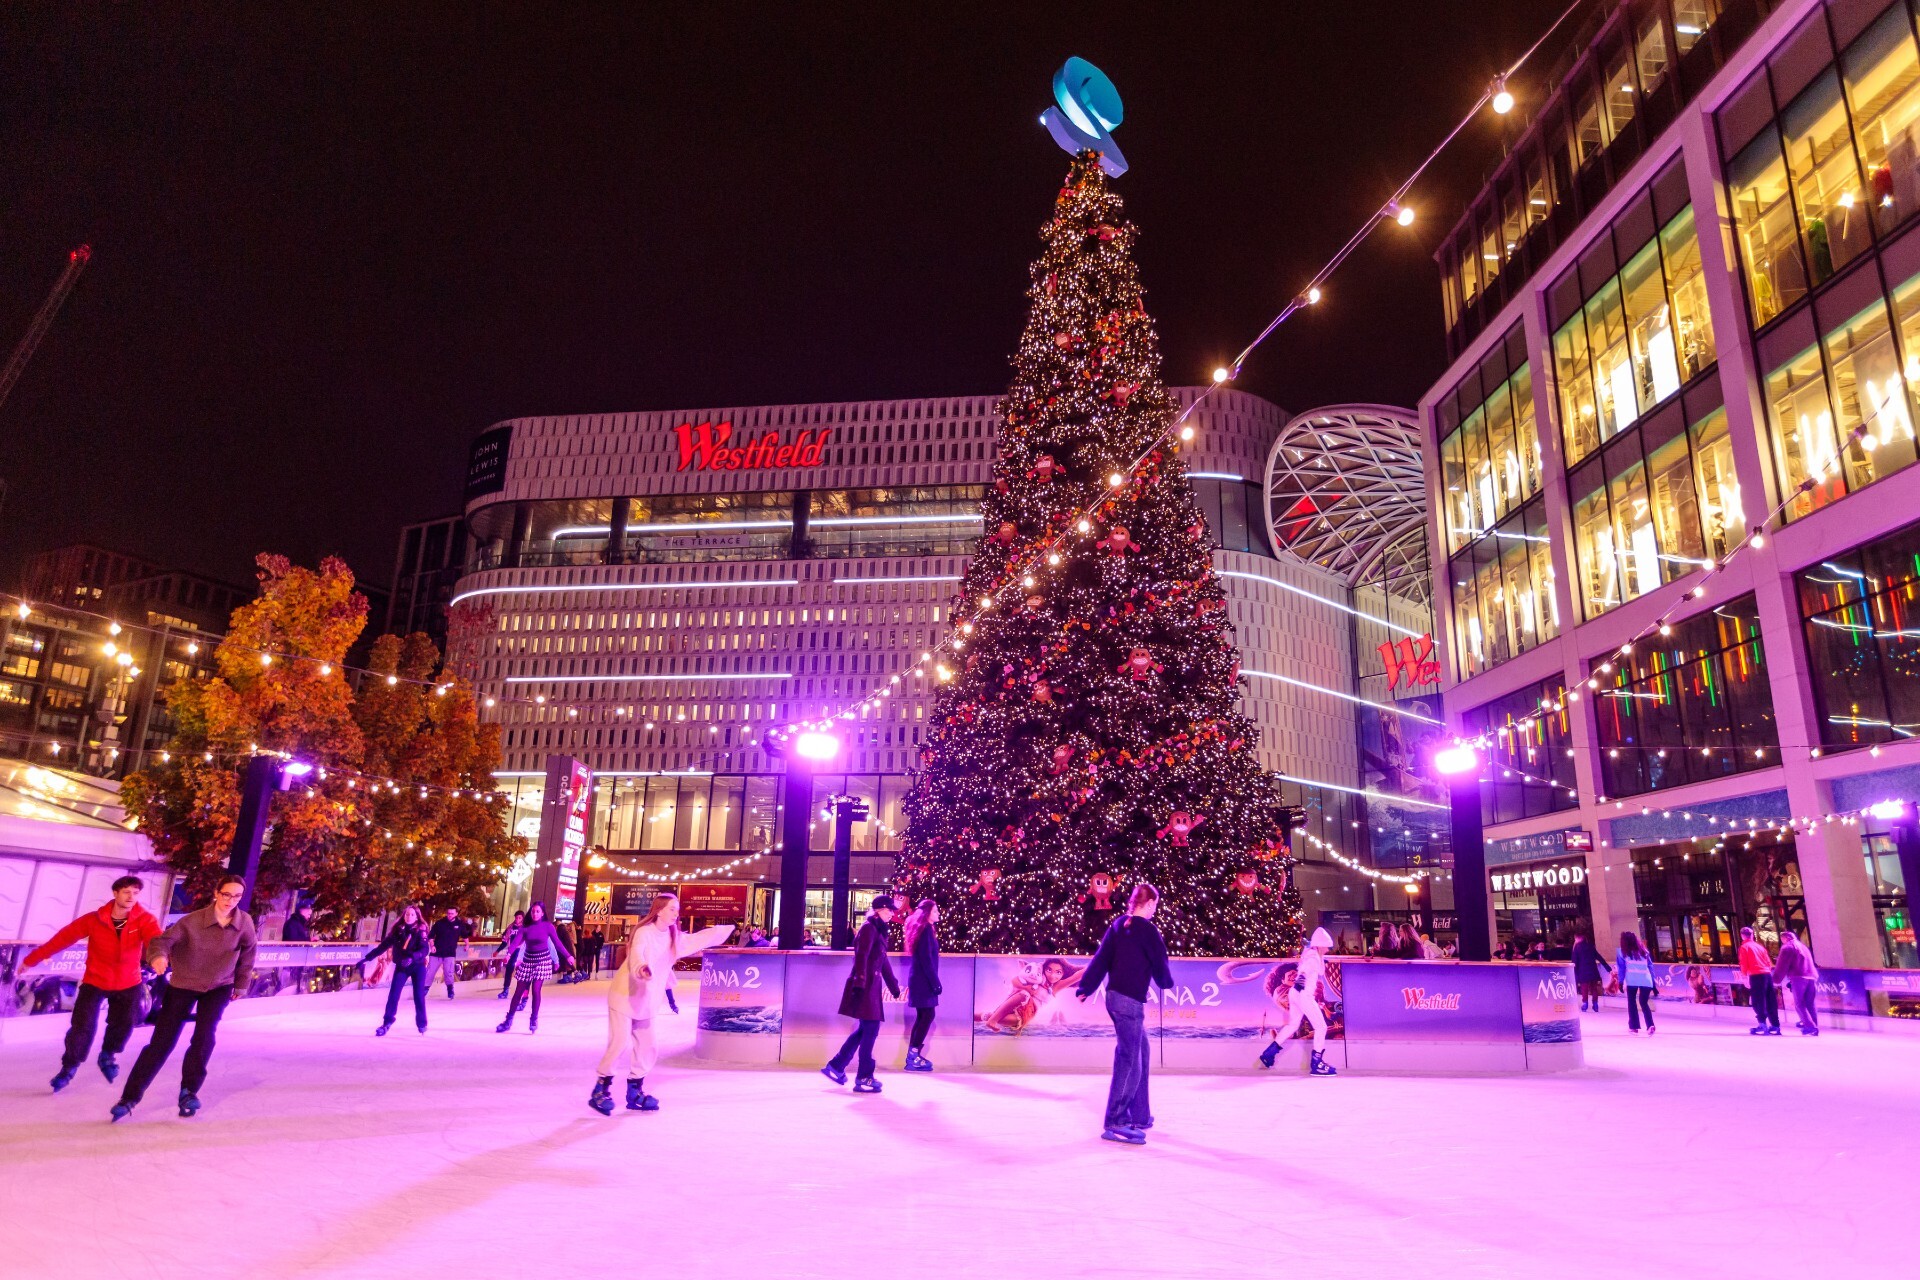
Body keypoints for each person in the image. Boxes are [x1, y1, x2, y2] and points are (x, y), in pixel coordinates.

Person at [112, 874, 257, 1121]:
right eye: (226, 894)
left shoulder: (244, 922)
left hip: (218, 986)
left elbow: (248, 953)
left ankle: (189, 1091)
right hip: (183, 985)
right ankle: (130, 1097)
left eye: (237, 896)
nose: (231, 900)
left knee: (204, 1036)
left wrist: (241, 985)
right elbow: (161, 942)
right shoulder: (192, 922)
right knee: (162, 1042)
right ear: (216, 893)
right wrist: (158, 957)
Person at [588, 891, 733, 1115]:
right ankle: (601, 1089)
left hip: (647, 1000)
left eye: (677, 909)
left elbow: (696, 940)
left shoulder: (674, 938)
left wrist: (720, 932)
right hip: (625, 995)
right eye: (672, 909)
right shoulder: (644, 933)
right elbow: (637, 954)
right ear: (659, 910)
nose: (676, 913)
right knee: (619, 1042)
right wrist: (641, 968)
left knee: (648, 1046)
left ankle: (634, 1092)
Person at [22, 875, 162, 1092]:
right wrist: (32, 960)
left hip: (128, 982)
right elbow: (63, 938)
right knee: (82, 1026)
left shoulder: (145, 920)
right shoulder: (94, 919)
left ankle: (108, 1054)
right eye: (126, 892)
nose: (131, 897)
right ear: (115, 894)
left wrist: (159, 957)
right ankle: (69, 1067)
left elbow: (155, 941)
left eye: (135, 893)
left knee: (124, 1023)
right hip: (95, 980)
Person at [1074, 883, 1175, 1145]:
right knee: (1129, 1058)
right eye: (1156, 904)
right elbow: (1160, 962)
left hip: (1115, 997)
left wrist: (1087, 986)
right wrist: (1165, 982)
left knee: (1141, 1051)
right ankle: (1116, 1120)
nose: (1156, 909)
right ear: (1150, 903)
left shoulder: (1119, 925)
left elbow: (1101, 958)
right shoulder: (1148, 931)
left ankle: (1140, 1115)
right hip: (1129, 1002)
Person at [819, 896, 901, 1094]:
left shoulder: (878, 930)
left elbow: (883, 961)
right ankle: (864, 1076)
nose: (892, 913)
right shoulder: (868, 928)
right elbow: (861, 956)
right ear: (879, 909)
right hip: (864, 987)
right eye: (889, 910)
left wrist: (894, 986)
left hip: (871, 986)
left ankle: (837, 1065)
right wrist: (861, 982)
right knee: (870, 1030)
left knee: (865, 1030)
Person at [1257, 926, 1338, 1075]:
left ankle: (1269, 1054)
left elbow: (1315, 968)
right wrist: (1303, 986)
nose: (1328, 950)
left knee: (1293, 1024)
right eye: (1327, 947)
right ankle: (1317, 1063)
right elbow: (1310, 970)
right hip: (1303, 994)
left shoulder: (1309, 953)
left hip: (1294, 993)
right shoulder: (1313, 957)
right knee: (1321, 1027)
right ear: (1320, 945)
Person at [496, 902, 573, 1033]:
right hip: (528, 960)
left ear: (542, 913)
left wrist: (568, 956)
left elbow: (557, 943)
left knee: (536, 990)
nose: (535, 914)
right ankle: (508, 1020)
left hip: (542, 960)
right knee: (518, 991)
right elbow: (515, 942)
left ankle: (533, 1018)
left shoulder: (548, 926)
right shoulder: (525, 927)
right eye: (533, 911)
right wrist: (508, 954)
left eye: (537, 911)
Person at [363, 905, 431, 1036]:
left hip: (418, 967)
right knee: (393, 994)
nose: (409, 917)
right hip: (402, 966)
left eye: (412, 915)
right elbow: (384, 945)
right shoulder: (399, 930)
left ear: (416, 916)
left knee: (418, 995)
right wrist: (368, 958)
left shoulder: (421, 931)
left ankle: (422, 1023)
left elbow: (424, 950)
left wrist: (412, 957)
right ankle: (387, 1023)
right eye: (407, 914)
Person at [903, 898, 942, 1072]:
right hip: (923, 980)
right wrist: (935, 983)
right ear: (927, 913)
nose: (938, 913)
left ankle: (913, 1054)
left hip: (921, 979)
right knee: (927, 1016)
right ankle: (913, 1055)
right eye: (935, 911)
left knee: (924, 1016)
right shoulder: (925, 929)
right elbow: (926, 960)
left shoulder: (926, 929)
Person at [1773, 930, 1820, 1036]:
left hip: (1798, 977)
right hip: (1811, 977)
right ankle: (1815, 1026)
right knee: (1810, 1003)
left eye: (1782, 939)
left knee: (1799, 1004)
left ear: (1784, 938)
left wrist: (1776, 979)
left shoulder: (1787, 947)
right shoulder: (1803, 947)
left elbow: (1782, 965)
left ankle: (1810, 1026)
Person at [1738, 926, 1781, 1036]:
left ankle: (1762, 1024)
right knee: (1770, 999)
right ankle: (1775, 1025)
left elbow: (1744, 963)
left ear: (1742, 936)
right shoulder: (1760, 947)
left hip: (1756, 976)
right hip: (1767, 975)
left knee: (1758, 1001)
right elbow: (1768, 963)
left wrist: (1744, 977)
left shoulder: (1744, 947)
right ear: (1752, 935)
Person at [1616, 931, 1657, 1035]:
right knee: (1644, 1002)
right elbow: (1650, 967)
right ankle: (1650, 1025)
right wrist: (1653, 983)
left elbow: (1621, 968)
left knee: (1632, 1002)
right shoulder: (1644, 951)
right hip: (1646, 980)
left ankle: (1634, 1027)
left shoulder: (1622, 952)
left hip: (1632, 980)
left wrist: (1620, 982)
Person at [424, 906, 469, 998]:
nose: (449, 915)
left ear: (456, 914)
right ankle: (424, 989)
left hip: (450, 953)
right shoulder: (440, 923)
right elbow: (431, 936)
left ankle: (450, 989)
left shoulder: (459, 924)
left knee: (449, 972)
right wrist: (432, 946)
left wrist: (467, 945)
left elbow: (465, 936)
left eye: (452, 913)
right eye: (448, 913)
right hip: (436, 952)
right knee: (430, 972)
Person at [1571, 929, 1611, 1013]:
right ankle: (1595, 1004)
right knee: (1594, 988)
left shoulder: (1577, 948)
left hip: (1583, 971)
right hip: (1593, 970)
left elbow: (1574, 961)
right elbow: (1600, 958)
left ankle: (1585, 1003)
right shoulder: (1591, 946)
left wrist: (1574, 972)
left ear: (1578, 938)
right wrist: (1608, 969)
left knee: (1584, 988)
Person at [494, 910, 526, 999]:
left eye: (520, 918)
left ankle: (523, 991)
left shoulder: (525, 927)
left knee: (522, 971)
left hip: (521, 951)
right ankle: (505, 990)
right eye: (516, 917)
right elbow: (505, 941)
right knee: (509, 969)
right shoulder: (510, 927)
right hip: (511, 951)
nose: (517, 920)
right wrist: (498, 951)